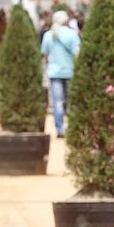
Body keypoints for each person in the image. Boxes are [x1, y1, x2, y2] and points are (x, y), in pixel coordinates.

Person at [40, 10, 81, 138]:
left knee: (57, 102)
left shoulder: (47, 35)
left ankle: (60, 128)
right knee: (71, 101)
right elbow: (77, 54)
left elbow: (45, 55)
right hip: (70, 71)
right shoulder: (72, 34)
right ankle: (72, 126)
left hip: (54, 72)